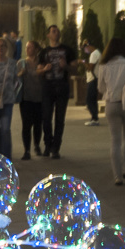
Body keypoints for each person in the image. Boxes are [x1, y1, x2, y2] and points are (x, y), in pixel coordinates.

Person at [96, 38, 125, 186]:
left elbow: (100, 87)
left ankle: (117, 176)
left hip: (112, 104)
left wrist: (110, 91)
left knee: (115, 140)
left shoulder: (104, 66)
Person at [38, 25, 77, 159]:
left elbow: (75, 69)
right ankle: (47, 144)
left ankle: (56, 147)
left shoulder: (67, 50)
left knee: (60, 119)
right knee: (46, 118)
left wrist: (65, 66)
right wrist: (44, 69)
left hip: (62, 87)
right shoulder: (44, 52)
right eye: (53, 31)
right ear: (48, 35)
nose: (56, 33)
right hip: (47, 87)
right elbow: (38, 70)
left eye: (58, 31)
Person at [16, 41, 45, 160]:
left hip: (40, 97)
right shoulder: (21, 63)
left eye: (31, 47)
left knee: (38, 124)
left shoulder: (41, 63)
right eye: (27, 47)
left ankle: (37, 145)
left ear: (36, 49)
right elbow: (15, 77)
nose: (28, 49)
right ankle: (26, 150)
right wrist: (20, 73)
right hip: (26, 98)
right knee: (26, 125)